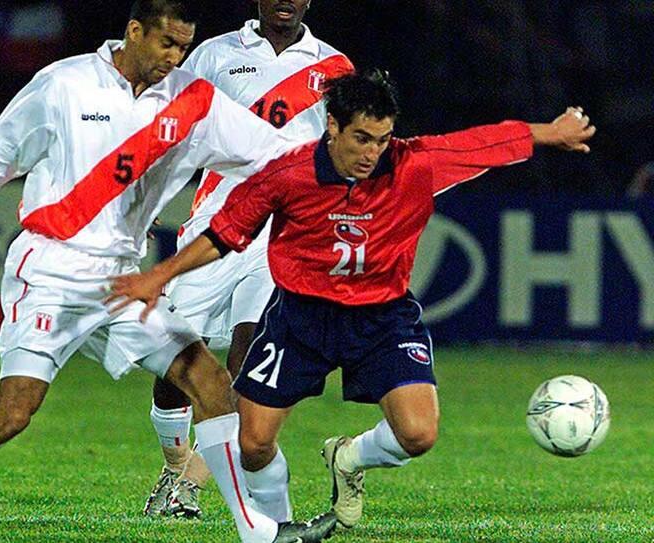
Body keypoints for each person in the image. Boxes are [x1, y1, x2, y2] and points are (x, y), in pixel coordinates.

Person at [0, 2, 337, 542]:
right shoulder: (65, 84)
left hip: (121, 281)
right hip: (50, 271)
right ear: (133, 30)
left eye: (183, 47)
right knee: (13, 413)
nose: (173, 58)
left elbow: (276, 152)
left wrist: (347, 171)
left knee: (210, 383)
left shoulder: (193, 100)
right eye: (165, 43)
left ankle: (256, 531)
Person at [105, 69, 597, 530]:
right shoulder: (288, 174)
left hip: (383, 318)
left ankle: (350, 457)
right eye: (362, 138)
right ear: (333, 126)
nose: (372, 153)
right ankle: (282, 531)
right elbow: (225, 233)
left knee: (419, 435)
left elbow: (483, 142)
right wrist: (161, 274)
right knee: (252, 444)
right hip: (301, 319)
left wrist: (551, 132)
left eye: (382, 140)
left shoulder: (412, 164)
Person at [142, 0, 353, 521]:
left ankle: (187, 487)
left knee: (246, 364)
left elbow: (350, 151)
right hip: (215, 225)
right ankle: (174, 463)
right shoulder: (213, 55)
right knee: (174, 364)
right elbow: (165, 127)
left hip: (284, 235)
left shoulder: (336, 67)